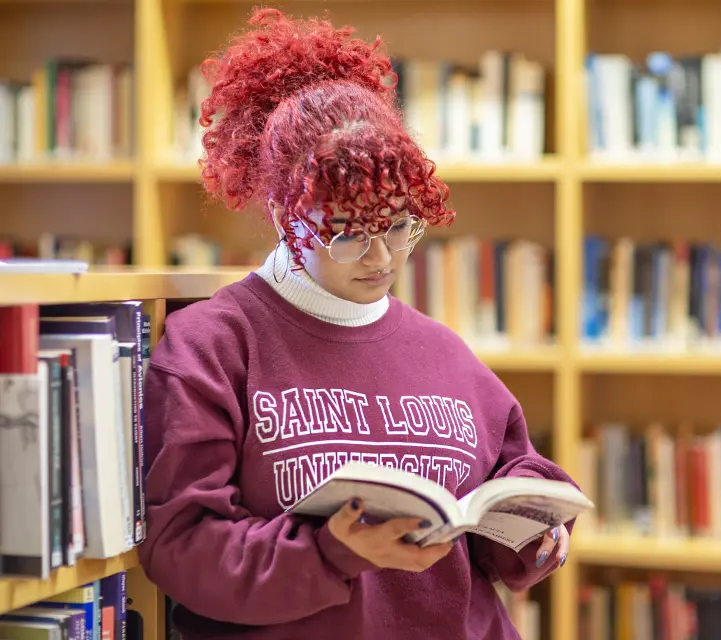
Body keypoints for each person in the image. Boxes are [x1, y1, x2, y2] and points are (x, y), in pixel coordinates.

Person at [137, 7, 578, 640]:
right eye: (346, 234)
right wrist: (329, 553)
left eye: (400, 227)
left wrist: (536, 536)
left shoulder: (447, 354)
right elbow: (181, 549)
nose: (381, 258)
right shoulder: (213, 346)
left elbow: (500, 523)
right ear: (284, 213)